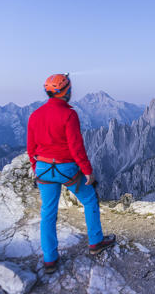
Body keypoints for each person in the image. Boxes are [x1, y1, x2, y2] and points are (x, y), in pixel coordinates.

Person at [27, 73, 115, 274]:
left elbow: (31, 148)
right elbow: (76, 147)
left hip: (42, 168)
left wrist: (36, 169)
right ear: (65, 91)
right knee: (90, 199)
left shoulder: (35, 115)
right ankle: (96, 242)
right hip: (65, 168)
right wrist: (87, 172)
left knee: (48, 213)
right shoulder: (69, 114)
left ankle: (50, 259)